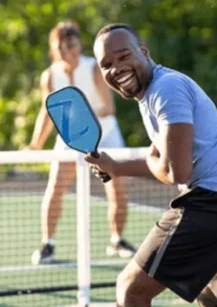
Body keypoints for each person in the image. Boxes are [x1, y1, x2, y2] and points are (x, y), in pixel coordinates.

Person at [86, 23, 217, 307]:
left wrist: (128, 165)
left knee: (130, 289)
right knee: (211, 299)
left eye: (124, 56)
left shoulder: (167, 89)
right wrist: (115, 165)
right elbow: (159, 156)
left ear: (144, 51)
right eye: (106, 65)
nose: (116, 69)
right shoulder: (154, 91)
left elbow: (178, 171)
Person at [29, 20, 136, 265]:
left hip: (106, 135)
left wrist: (80, 120)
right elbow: (47, 112)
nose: (68, 50)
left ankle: (117, 239)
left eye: (72, 44)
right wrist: (35, 144)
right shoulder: (50, 76)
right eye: (62, 46)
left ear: (79, 45)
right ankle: (48, 244)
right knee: (55, 187)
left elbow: (108, 108)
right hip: (69, 139)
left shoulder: (94, 69)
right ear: (54, 49)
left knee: (117, 189)